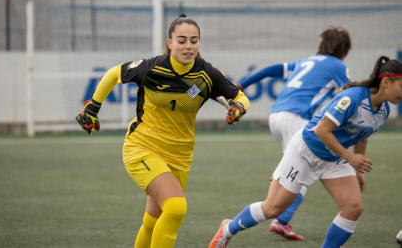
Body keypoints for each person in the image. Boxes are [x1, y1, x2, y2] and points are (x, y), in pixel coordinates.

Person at [75, 14, 250, 248]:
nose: (188, 46)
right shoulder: (152, 67)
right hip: (142, 148)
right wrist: (93, 108)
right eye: (182, 40)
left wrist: (239, 107)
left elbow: (239, 97)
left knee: (153, 219)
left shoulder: (206, 74)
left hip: (180, 156)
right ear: (170, 43)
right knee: (176, 207)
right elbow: (114, 73)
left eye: (194, 40)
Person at [209, 55, 402, 248]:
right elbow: (321, 130)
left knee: (353, 208)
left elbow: (363, 134)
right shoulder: (352, 98)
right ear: (386, 82)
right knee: (272, 209)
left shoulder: (383, 109)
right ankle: (227, 230)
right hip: (305, 151)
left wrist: (358, 171)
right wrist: (350, 158)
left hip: (333, 158)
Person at [236, 26, 352, 240]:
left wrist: (242, 85)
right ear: (344, 49)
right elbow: (349, 98)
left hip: (276, 116)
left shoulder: (306, 61)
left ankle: (281, 185)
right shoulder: (337, 65)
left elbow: (269, 70)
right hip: (296, 118)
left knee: (296, 166)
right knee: (303, 170)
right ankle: (281, 221)